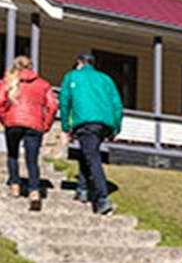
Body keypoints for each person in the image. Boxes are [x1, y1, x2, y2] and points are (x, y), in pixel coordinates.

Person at [59, 51, 123, 215]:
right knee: (87, 152)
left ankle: (102, 199)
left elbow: (64, 102)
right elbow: (117, 104)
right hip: (104, 123)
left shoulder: (72, 76)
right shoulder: (106, 79)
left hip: (85, 122)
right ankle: (82, 189)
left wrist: (66, 127)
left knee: (92, 157)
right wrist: (116, 127)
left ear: (79, 63)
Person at [0, 55, 58, 210]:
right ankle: (34, 191)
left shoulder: (8, 81)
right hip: (34, 124)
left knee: (12, 155)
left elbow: (0, 101)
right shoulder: (43, 84)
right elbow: (53, 106)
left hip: (13, 122)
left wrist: (4, 119)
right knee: (32, 159)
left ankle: (15, 186)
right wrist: (45, 124)